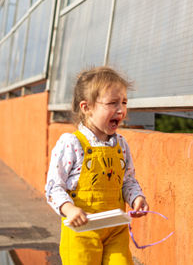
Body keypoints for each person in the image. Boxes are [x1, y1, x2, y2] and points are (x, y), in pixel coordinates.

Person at [45, 66, 149, 264]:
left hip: (116, 229)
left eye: (124, 102)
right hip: (81, 231)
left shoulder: (121, 145)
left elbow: (127, 181)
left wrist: (136, 198)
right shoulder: (72, 143)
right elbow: (53, 188)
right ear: (87, 108)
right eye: (112, 103)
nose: (121, 109)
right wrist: (69, 209)